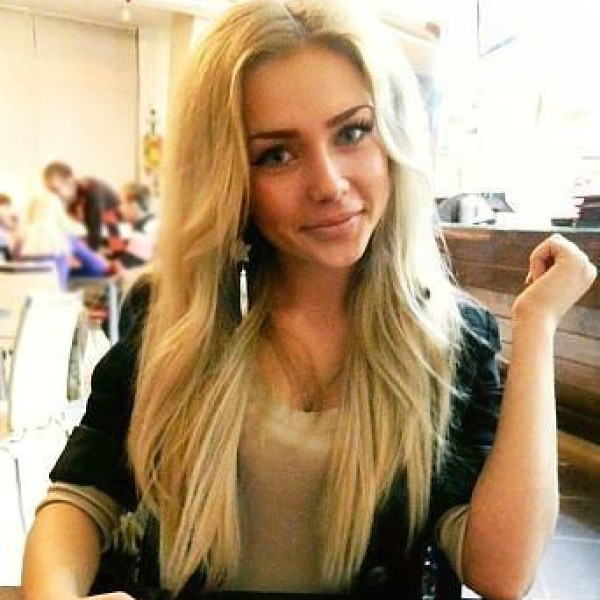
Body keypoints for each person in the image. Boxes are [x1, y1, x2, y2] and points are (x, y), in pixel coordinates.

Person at [22, 1, 596, 599]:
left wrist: (537, 327)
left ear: (392, 138)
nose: (328, 183)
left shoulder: (452, 341)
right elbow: (79, 500)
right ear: (231, 177)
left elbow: (500, 571)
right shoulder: (174, 319)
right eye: (277, 154)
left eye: (352, 132)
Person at [15, 192, 113, 289]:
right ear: (59, 214)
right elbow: (97, 269)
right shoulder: (65, 239)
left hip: (23, 297)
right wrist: (69, 269)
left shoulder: (20, 241)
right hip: (56, 297)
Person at [43, 161, 125, 255]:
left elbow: (94, 231)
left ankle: (115, 252)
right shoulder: (73, 196)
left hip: (112, 209)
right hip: (98, 213)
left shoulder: (91, 193)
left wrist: (93, 249)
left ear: (70, 181)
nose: (54, 196)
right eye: (50, 191)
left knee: (106, 226)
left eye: (55, 190)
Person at [118, 182, 158, 268]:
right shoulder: (151, 222)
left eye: (121, 203)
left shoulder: (144, 231)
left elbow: (125, 267)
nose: (119, 208)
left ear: (134, 205)